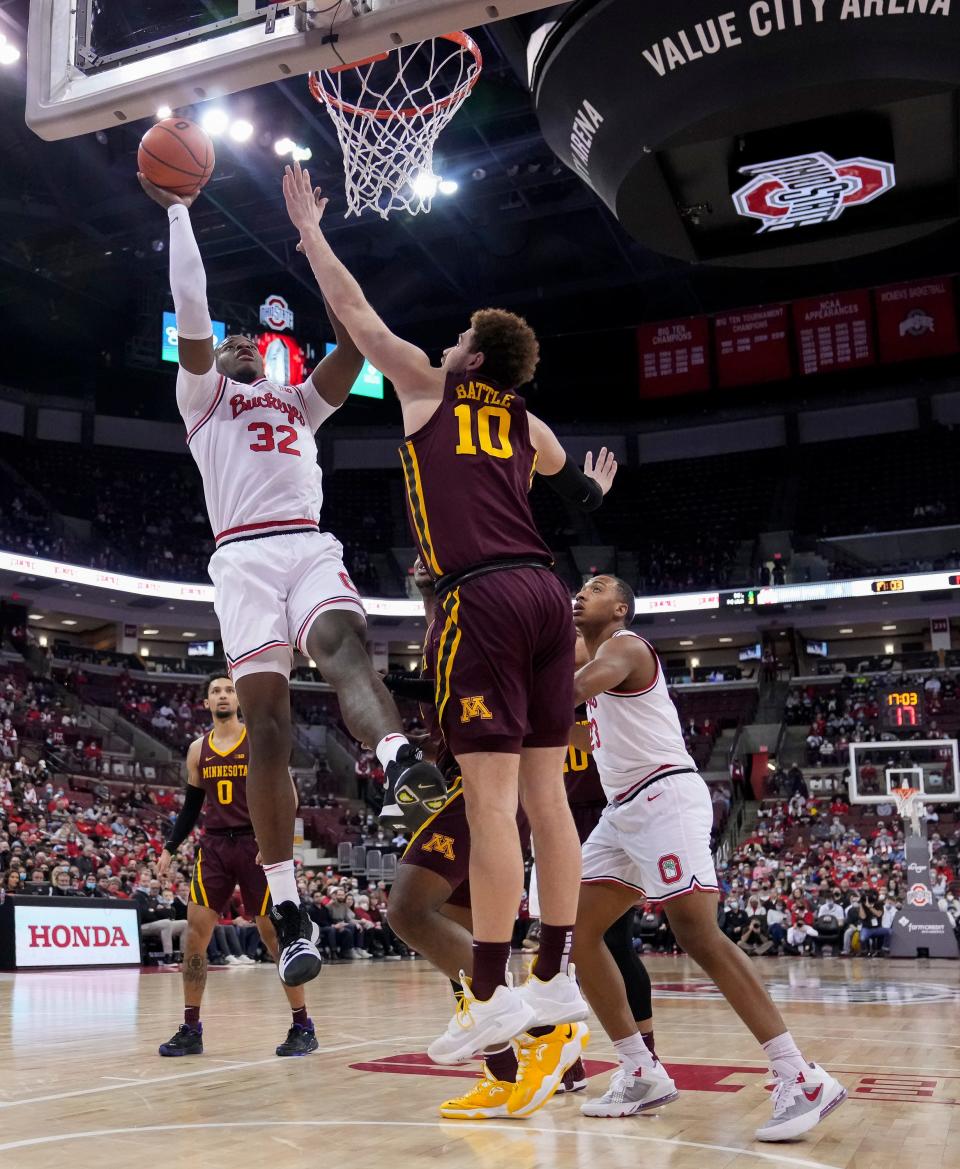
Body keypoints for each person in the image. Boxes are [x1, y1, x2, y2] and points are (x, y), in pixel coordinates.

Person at [280, 163, 617, 1105]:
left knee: (491, 803)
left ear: (470, 358)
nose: (450, 337)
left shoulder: (428, 386)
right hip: (548, 593)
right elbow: (558, 464)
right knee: (547, 801)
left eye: (463, 334)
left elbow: (357, 315)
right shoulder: (519, 414)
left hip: (481, 600)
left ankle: (489, 992)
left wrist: (310, 233)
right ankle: (551, 975)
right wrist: (590, 491)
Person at [139, 171, 448, 990]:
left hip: (307, 543)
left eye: (251, 341)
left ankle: (400, 761)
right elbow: (195, 310)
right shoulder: (203, 396)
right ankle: (290, 906)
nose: (240, 345)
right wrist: (179, 213)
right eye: (233, 341)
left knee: (345, 643)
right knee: (268, 726)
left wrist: (330, 255)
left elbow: (358, 343)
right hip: (241, 556)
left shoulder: (299, 402)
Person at [570, 575, 846, 1141]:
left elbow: (566, 690)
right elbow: (581, 733)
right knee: (579, 931)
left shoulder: (625, 645)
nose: (580, 592)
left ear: (619, 606)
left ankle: (802, 1075)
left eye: (594, 587)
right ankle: (640, 1070)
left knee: (697, 931)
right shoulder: (598, 675)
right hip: (623, 809)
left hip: (664, 794)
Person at [156, 674, 316, 1058]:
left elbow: (288, 795)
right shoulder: (197, 750)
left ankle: (303, 1025)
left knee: (274, 936)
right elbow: (191, 805)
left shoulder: (259, 741)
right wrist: (170, 848)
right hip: (213, 846)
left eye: (229, 690)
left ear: (239, 699)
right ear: (207, 703)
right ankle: (191, 1027)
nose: (223, 695)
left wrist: (275, 840)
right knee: (195, 934)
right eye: (216, 691)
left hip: (255, 844)